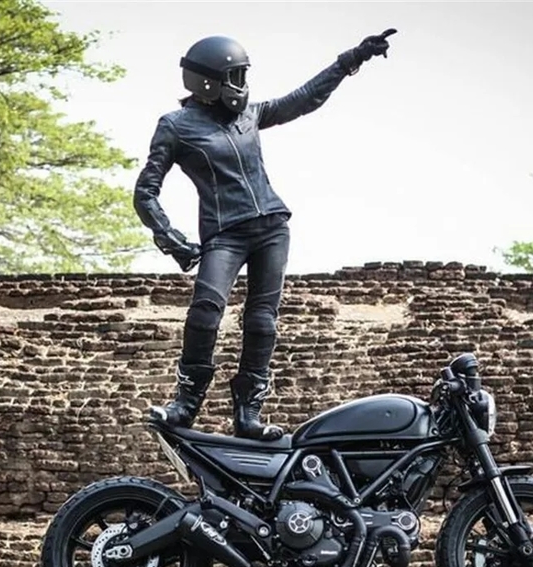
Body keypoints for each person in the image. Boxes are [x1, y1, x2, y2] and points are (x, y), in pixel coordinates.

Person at [133, 29, 397, 441]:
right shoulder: (176, 126)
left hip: (272, 228)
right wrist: (171, 239)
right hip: (224, 234)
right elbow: (145, 193)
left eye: (243, 75)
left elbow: (304, 98)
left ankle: (248, 415)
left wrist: (351, 59)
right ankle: (185, 405)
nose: (242, 84)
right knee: (205, 312)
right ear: (208, 82)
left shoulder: (250, 115)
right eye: (234, 76)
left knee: (262, 323)